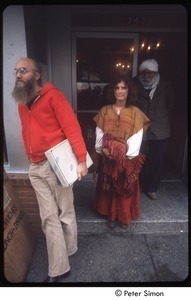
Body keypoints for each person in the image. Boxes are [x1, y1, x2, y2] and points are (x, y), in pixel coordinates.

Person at [12, 57, 88, 283]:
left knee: (65, 211)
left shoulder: (54, 97)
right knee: (48, 217)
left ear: (36, 75)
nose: (17, 75)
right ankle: (60, 267)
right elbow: (27, 132)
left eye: (23, 70)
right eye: (16, 71)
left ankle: (70, 248)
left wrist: (82, 160)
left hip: (55, 164)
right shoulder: (21, 102)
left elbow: (72, 128)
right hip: (34, 167)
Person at [92, 75, 150, 228]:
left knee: (123, 189)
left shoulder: (136, 112)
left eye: (123, 87)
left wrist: (123, 154)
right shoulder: (104, 111)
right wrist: (103, 149)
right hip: (108, 158)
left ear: (129, 90)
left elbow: (137, 137)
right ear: (112, 90)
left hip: (126, 160)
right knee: (109, 187)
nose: (120, 91)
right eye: (117, 87)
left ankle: (123, 217)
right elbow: (99, 133)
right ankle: (110, 215)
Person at [133, 59, 175, 200]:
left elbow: (171, 104)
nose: (146, 76)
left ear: (156, 73)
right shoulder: (134, 83)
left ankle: (151, 188)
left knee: (157, 160)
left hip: (160, 129)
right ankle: (137, 185)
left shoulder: (166, 85)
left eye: (150, 73)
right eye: (144, 73)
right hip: (139, 128)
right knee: (138, 158)